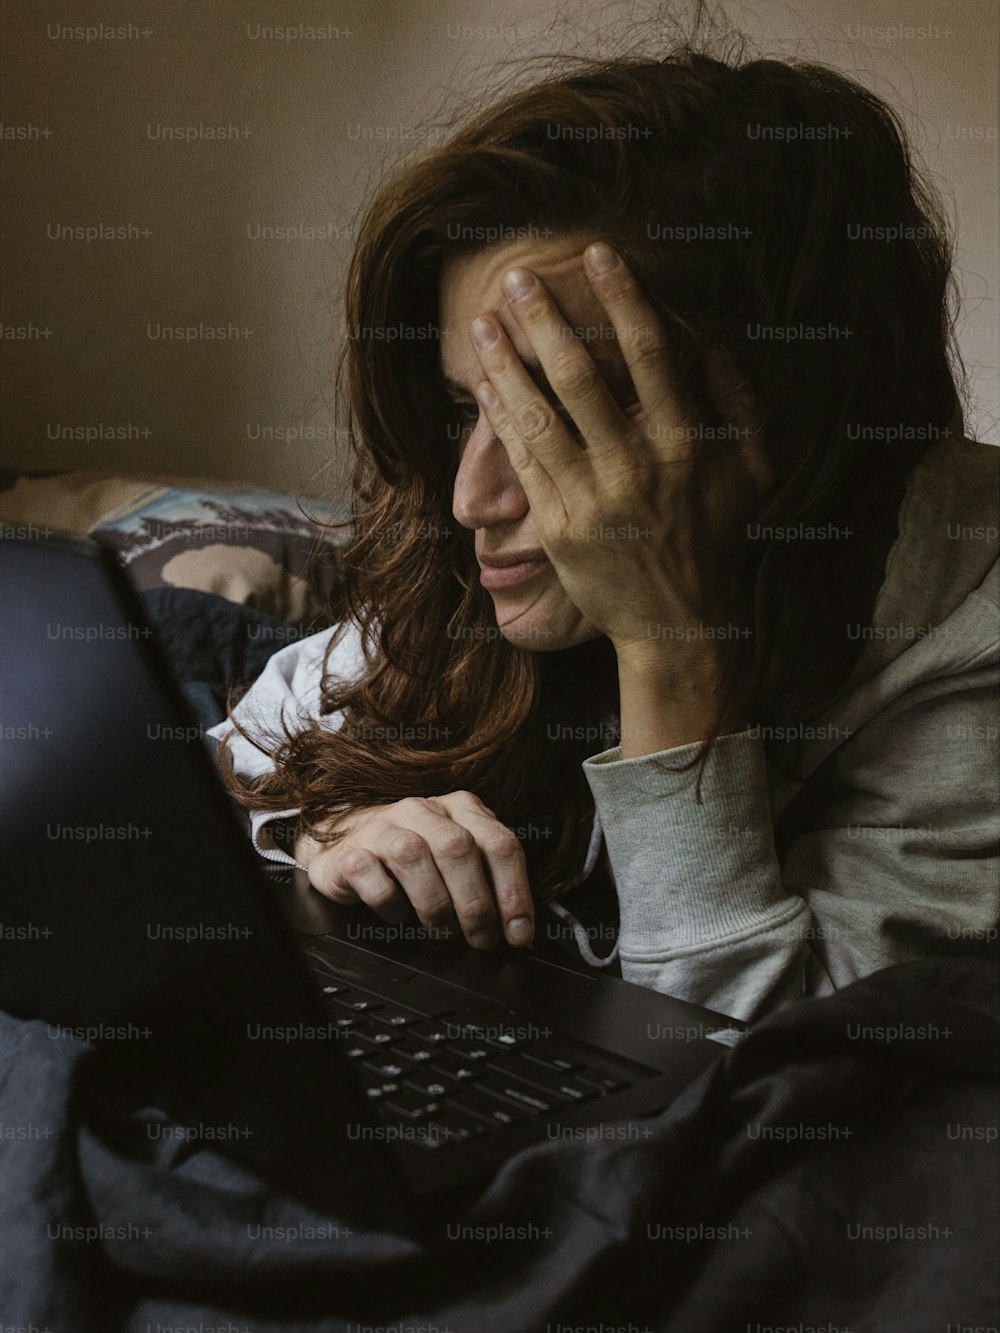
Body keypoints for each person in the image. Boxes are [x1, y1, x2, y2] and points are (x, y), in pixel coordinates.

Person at [210, 46, 999, 1023]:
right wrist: (333, 824)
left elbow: (756, 1066)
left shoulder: (969, 618)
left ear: (789, 412)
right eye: (467, 409)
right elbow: (245, 745)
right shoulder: (466, 546)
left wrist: (668, 647)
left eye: (564, 416)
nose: (473, 498)